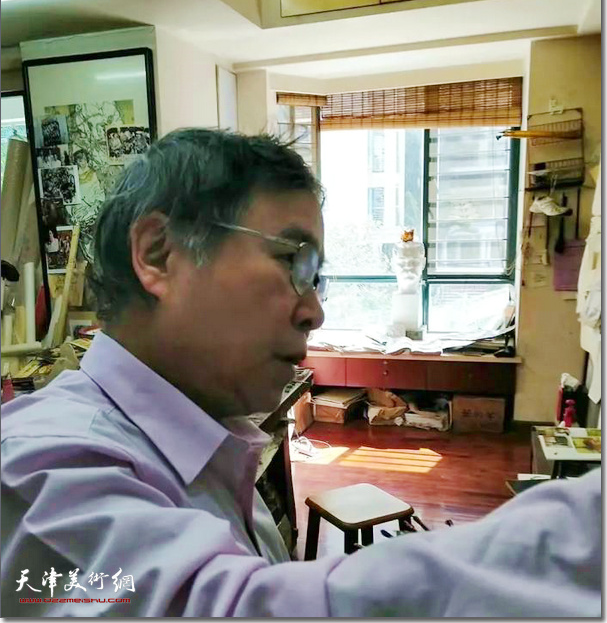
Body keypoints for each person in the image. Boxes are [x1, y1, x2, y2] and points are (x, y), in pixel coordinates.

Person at [1, 129, 600, 617]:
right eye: (294, 262)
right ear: (160, 254)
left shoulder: (217, 453)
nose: (314, 310)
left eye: (316, 277)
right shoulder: (41, 469)